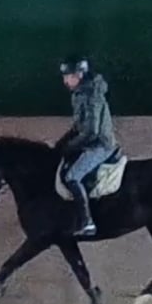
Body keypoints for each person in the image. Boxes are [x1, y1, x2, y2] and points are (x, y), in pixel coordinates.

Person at [55, 55, 118, 237]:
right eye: (65, 77)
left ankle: (87, 222)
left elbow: (91, 131)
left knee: (72, 176)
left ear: (80, 75)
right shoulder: (79, 94)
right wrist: (61, 143)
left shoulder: (92, 95)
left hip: (100, 145)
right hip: (88, 142)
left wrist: (70, 146)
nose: (65, 80)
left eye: (69, 76)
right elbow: (78, 126)